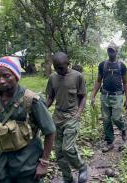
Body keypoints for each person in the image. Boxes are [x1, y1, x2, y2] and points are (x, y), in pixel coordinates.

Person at [0, 56, 56, 183]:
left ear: (16, 76)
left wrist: (44, 163)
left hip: (27, 165)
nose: (1, 80)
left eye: (6, 76)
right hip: (0, 166)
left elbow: (50, 131)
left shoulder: (31, 100)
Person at [46, 52, 88, 183]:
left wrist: (78, 113)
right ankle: (68, 179)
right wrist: (42, 109)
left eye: (60, 67)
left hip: (71, 117)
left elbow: (83, 96)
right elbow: (50, 97)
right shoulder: (53, 78)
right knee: (59, 153)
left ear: (67, 64)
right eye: (56, 67)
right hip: (57, 118)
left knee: (67, 148)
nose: (58, 70)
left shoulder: (77, 76)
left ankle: (82, 167)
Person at [90, 43, 127, 153]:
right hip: (105, 95)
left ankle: (123, 127)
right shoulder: (102, 65)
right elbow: (98, 81)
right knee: (106, 120)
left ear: (116, 52)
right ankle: (109, 142)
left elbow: (125, 83)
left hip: (117, 95)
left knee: (116, 118)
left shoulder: (122, 66)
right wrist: (93, 95)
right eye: (109, 50)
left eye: (112, 50)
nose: (110, 52)